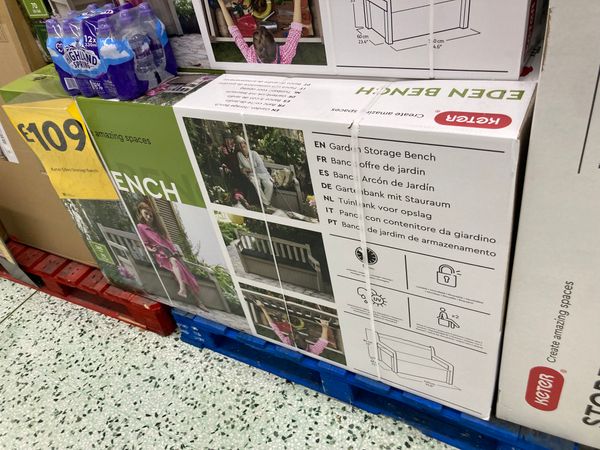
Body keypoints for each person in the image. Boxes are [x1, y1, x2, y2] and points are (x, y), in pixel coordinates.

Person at [136, 202, 208, 311]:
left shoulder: (156, 227)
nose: (149, 217)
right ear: (141, 213)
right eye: (146, 214)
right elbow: (145, 243)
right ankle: (185, 291)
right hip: (160, 254)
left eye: (150, 215)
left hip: (169, 252)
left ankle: (196, 300)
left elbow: (167, 242)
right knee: (175, 263)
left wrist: (174, 252)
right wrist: (151, 249)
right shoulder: (141, 227)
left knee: (182, 268)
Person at [217, 0, 303, 64]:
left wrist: (221, 3)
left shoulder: (251, 57)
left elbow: (234, 31)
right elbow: (296, 28)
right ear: (273, 41)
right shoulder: (285, 54)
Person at [256, 300, 330, 356]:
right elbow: (323, 341)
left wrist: (263, 309)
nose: (292, 331)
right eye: (296, 334)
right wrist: (324, 327)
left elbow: (274, 327)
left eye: (291, 334)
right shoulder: (312, 352)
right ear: (304, 340)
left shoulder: (287, 342)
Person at [235, 135, 274, 206]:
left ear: (246, 144)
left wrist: (249, 170)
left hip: (262, 173)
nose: (242, 146)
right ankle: (266, 204)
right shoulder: (239, 155)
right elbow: (241, 168)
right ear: (238, 147)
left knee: (269, 185)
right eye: (239, 145)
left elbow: (261, 167)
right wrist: (245, 172)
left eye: (243, 144)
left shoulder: (254, 154)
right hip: (251, 176)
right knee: (256, 183)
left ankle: (265, 203)